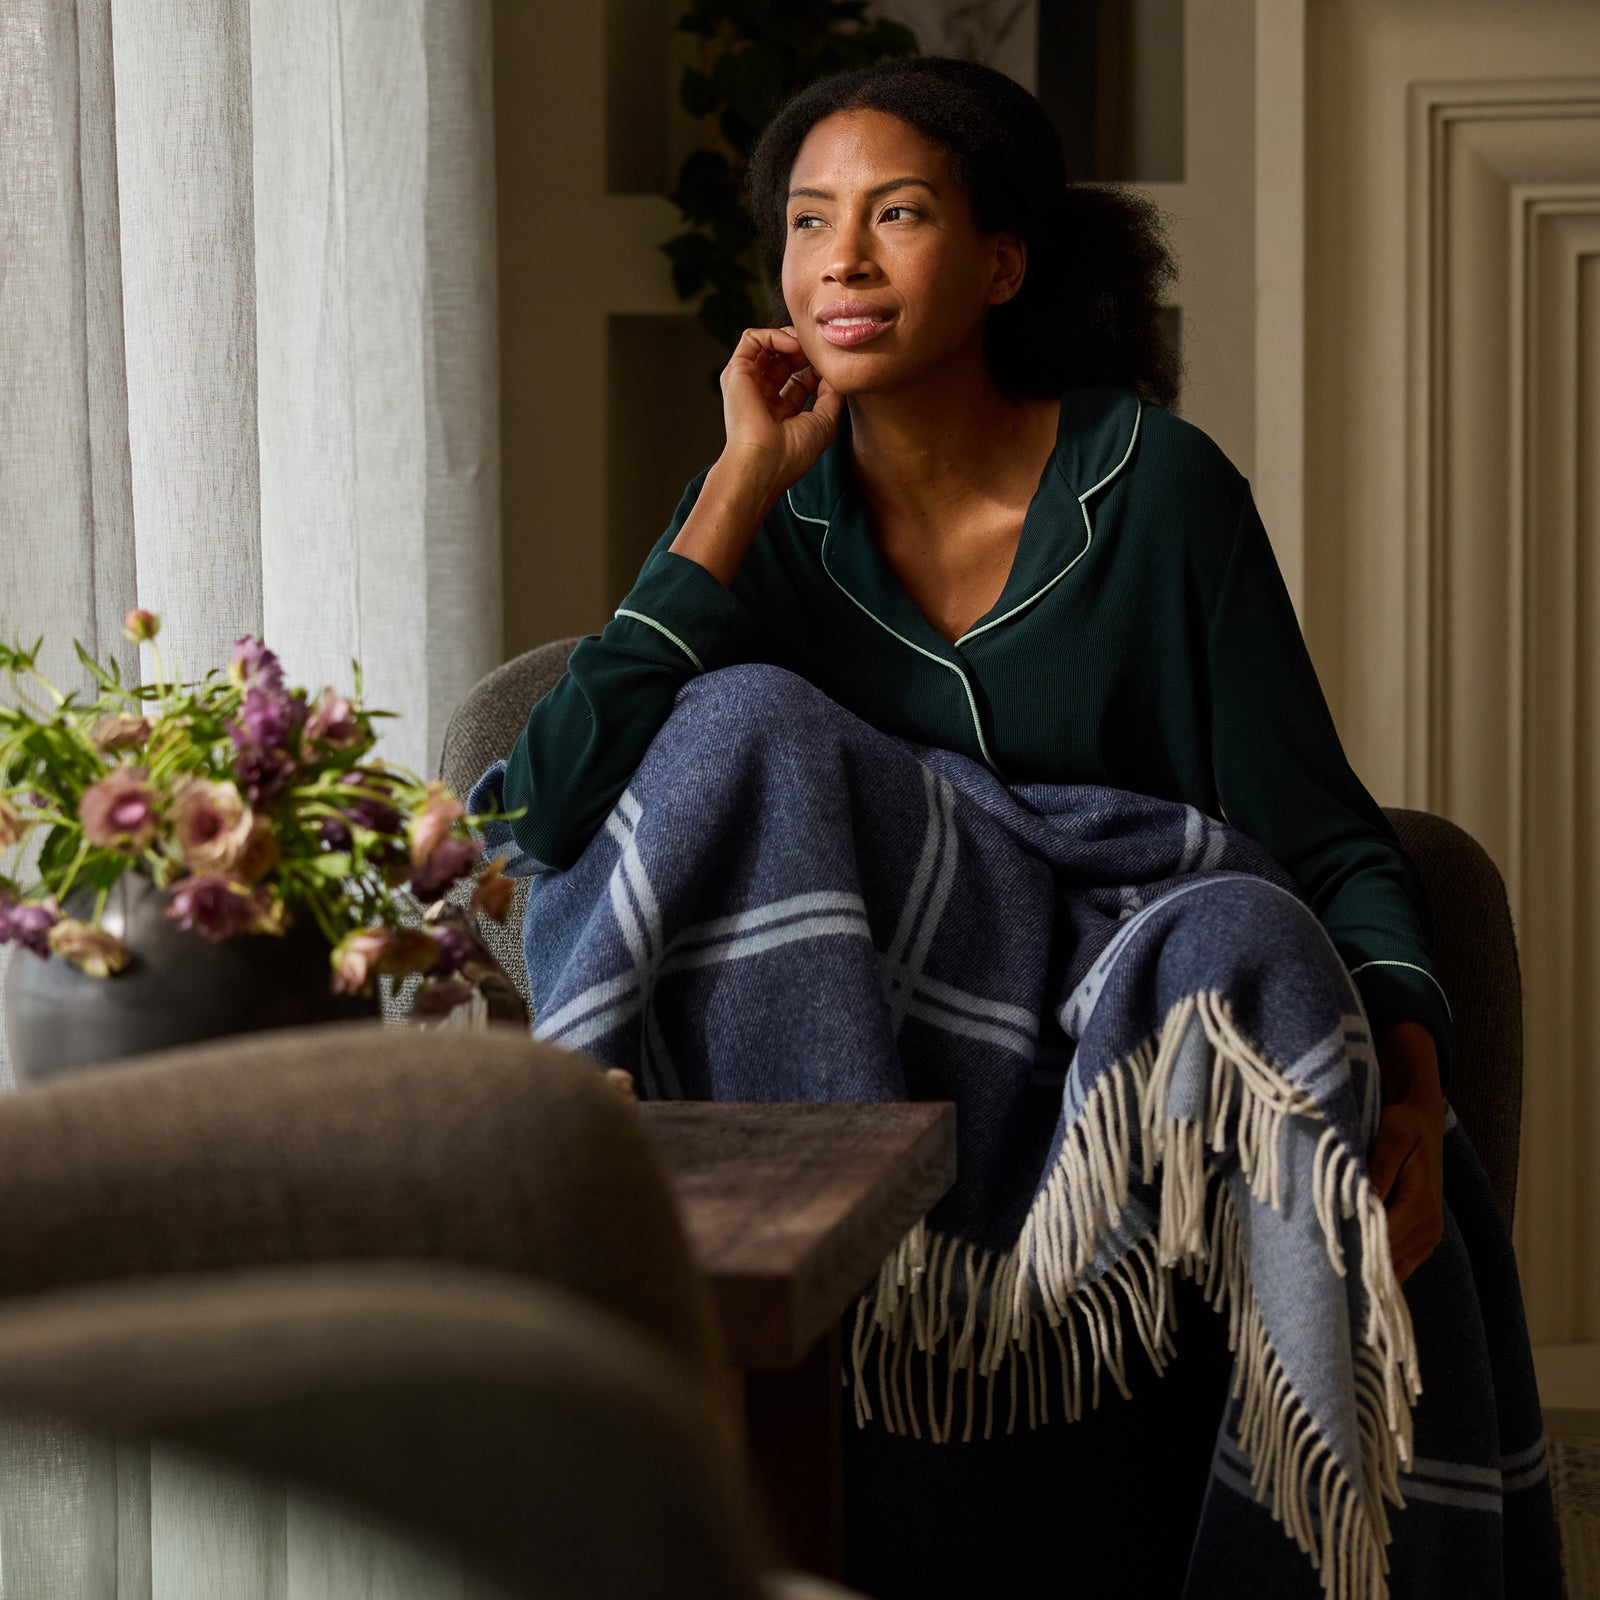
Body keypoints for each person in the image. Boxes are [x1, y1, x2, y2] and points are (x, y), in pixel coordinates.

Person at [497, 54, 1452, 1595]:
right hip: (865, 1041)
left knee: (1249, 929)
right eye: (808, 225)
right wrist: (738, 488)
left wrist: (1414, 1080)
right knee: (743, 723)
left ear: (1001, 262)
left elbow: (1320, 831)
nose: (842, 263)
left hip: (1113, 1039)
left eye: (898, 215)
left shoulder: (1156, 493)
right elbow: (546, 804)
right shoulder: (770, 510)